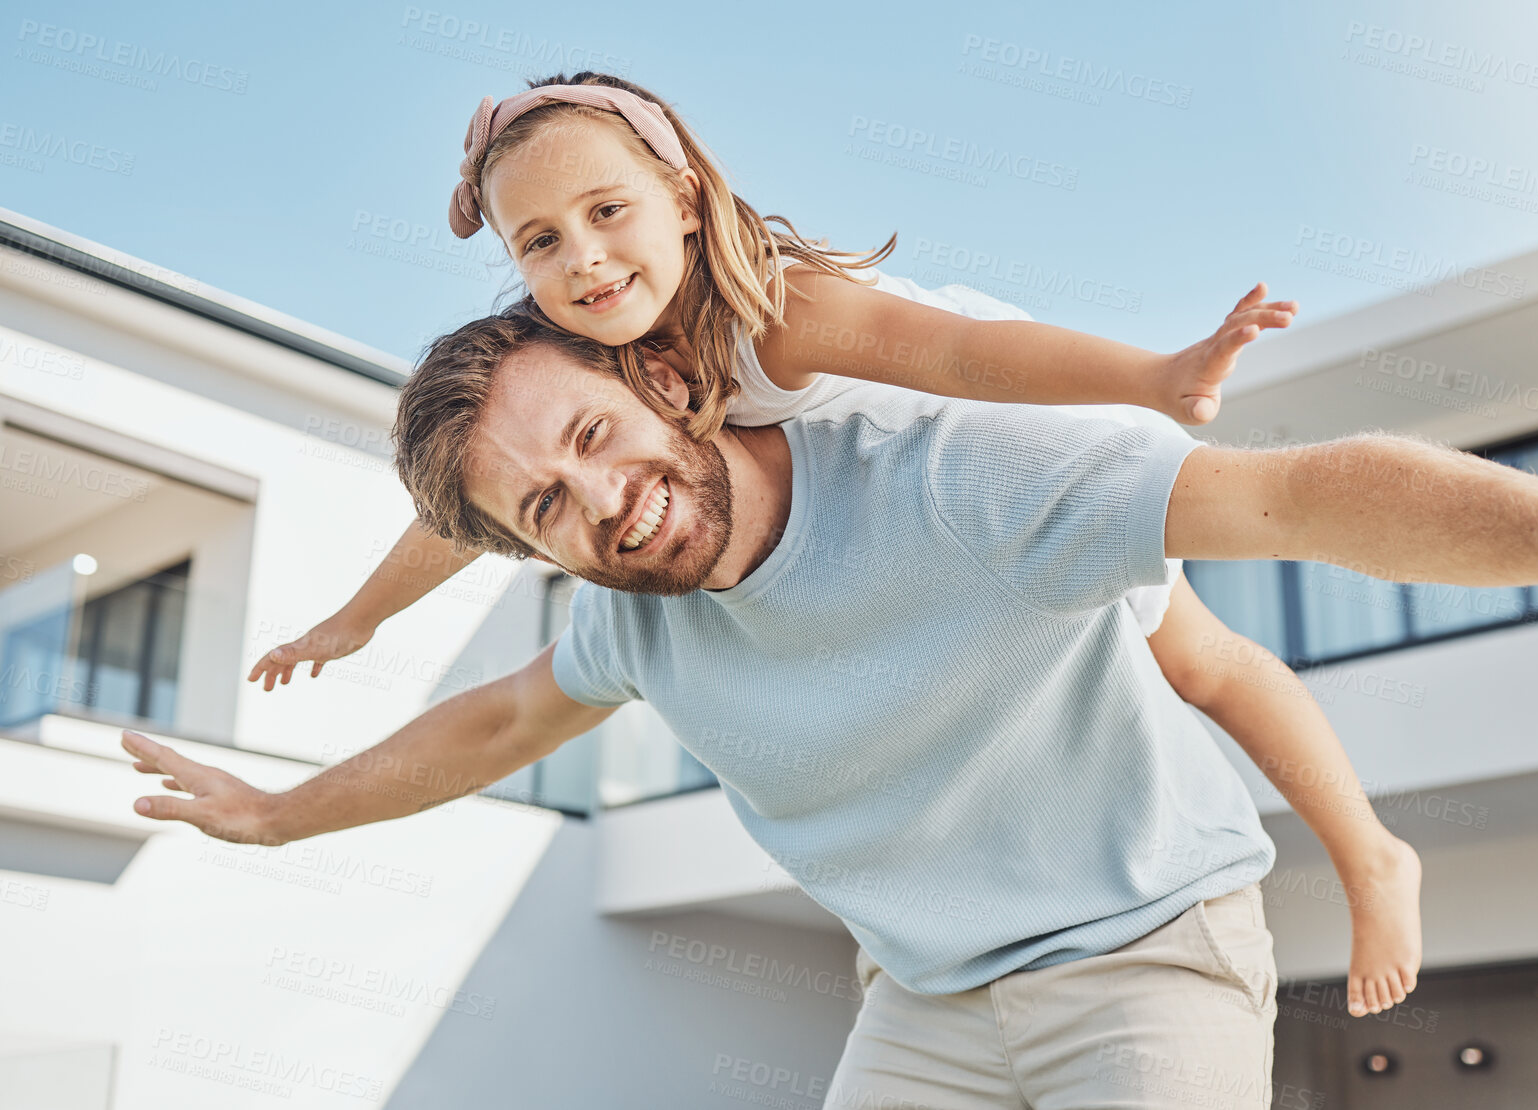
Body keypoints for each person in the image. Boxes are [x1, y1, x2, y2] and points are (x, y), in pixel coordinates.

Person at [127, 257, 1538, 1108]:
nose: (601, 497)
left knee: (1202, 658)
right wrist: (279, 817)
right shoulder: (631, 623)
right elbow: (491, 722)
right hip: (925, 996)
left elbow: (1286, 492)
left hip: (1143, 942)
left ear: (657, 383)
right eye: (546, 509)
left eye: (593, 438)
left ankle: (1377, 854)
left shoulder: (957, 481)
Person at [247, 71, 1430, 1016]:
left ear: (686, 197)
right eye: (540, 241)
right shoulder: (576, 350)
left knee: (1209, 667)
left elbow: (965, 363)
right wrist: (357, 621)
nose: (584, 259)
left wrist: (1158, 378)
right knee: (1194, 662)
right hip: (921, 545)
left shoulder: (780, 310)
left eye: (607, 213)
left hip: (988, 459)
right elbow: (482, 495)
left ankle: (1370, 855)